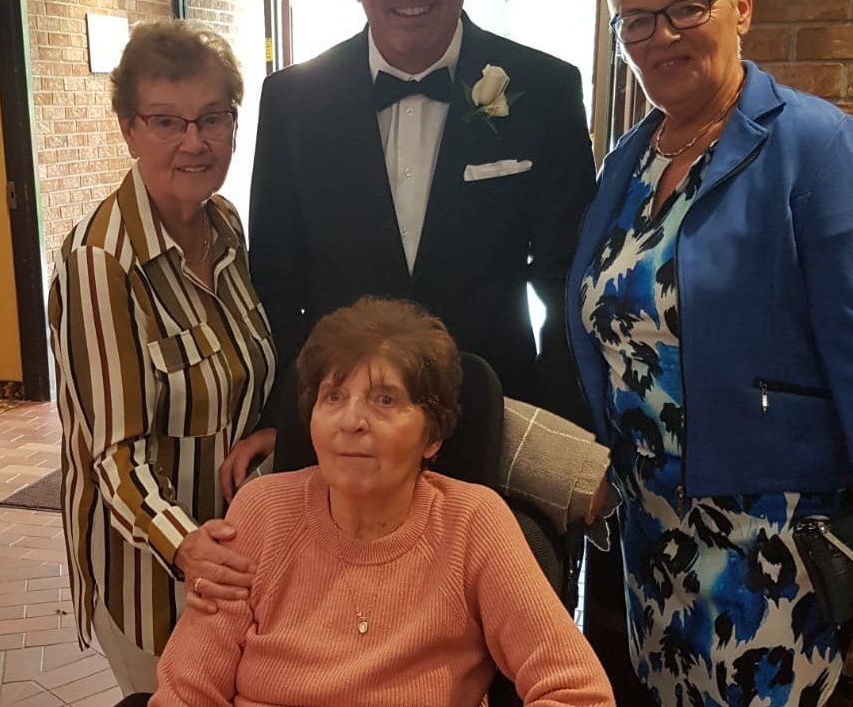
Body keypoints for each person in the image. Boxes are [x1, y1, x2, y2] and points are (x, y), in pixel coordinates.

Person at [565, 0, 853, 706]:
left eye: (685, 7)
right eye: (636, 20)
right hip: (651, 532)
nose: (660, 35)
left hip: (772, 545)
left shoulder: (815, 145)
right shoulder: (629, 160)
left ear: (740, 4)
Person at [245, 0, 596, 437]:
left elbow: (565, 279)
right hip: (341, 426)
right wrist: (288, 412)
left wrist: (564, 428)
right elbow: (277, 282)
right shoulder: (291, 100)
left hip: (496, 416)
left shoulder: (546, 89)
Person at [149, 298, 615, 707]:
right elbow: (186, 693)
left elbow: (577, 692)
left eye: (385, 400)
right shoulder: (261, 511)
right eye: (333, 396)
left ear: (432, 435)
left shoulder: (471, 523)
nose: (350, 421)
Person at [48, 21, 276, 695]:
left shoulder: (226, 224)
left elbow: (243, 373)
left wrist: (272, 429)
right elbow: (113, 453)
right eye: (167, 121)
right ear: (128, 128)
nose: (194, 141)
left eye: (212, 118)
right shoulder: (99, 261)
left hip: (237, 548)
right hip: (154, 568)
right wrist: (186, 546)